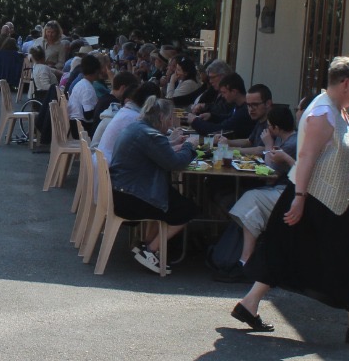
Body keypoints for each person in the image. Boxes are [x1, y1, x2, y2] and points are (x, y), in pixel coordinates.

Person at [231, 56, 349, 345]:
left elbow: (336, 147)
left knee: (285, 251)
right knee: (344, 258)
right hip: (318, 198)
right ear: (345, 83)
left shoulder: (336, 109)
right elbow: (306, 157)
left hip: (326, 197)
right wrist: (298, 199)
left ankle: (249, 304)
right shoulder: (322, 112)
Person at [108, 96, 205, 275]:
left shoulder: (138, 128)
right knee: (188, 210)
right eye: (169, 119)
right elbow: (175, 163)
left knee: (171, 197)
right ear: (161, 117)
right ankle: (150, 250)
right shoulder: (151, 135)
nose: (170, 124)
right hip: (131, 198)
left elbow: (156, 151)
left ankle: (146, 244)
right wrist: (189, 146)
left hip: (122, 191)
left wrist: (172, 142)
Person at [228, 103, 299, 266]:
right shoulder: (283, 138)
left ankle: (246, 259)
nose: (267, 129)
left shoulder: (290, 144)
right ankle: (245, 258)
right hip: (280, 188)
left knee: (249, 200)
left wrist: (267, 144)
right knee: (249, 198)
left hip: (285, 191)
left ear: (276, 127)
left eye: (269, 126)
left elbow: (270, 172)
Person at [94, 82, 161, 159]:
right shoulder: (136, 119)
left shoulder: (125, 111)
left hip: (102, 161)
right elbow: (153, 148)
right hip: (109, 163)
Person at [192, 73, 252, 139]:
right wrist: (211, 116)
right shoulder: (239, 106)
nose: (222, 96)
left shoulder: (245, 111)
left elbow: (220, 129)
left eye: (224, 92)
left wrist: (194, 121)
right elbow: (228, 117)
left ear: (234, 92)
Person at [67, 53, 107, 138]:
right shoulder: (87, 88)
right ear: (96, 71)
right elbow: (88, 115)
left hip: (75, 124)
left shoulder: (81, 83)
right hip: (81, 128)